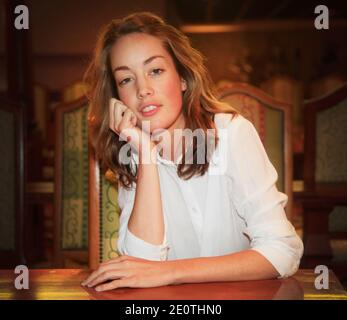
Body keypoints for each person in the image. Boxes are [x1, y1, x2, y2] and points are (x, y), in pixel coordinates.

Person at [81, 12, 303, 291]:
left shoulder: (231, 134)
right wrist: (147, 156)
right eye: (126, 79)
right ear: (118, 98)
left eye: (156, 71)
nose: (143, 90)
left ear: (183, 78)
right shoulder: (135, 151)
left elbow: (282, 250)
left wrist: (172, 272)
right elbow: (141, 265)